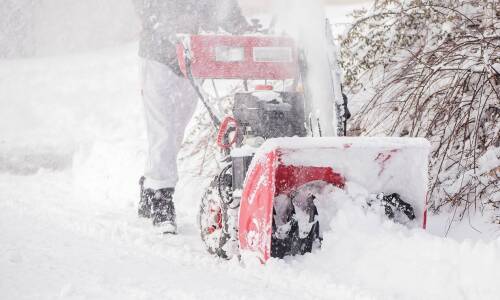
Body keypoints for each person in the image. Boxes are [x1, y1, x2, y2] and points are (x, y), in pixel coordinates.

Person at [133, 0, 249, 234]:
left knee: (174, 132)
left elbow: (222, 6)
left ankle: (149, 188)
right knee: (163, 130)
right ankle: (160, 198)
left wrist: (240, 27)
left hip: (191, 55)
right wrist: (160, 24)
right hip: (158, 55)